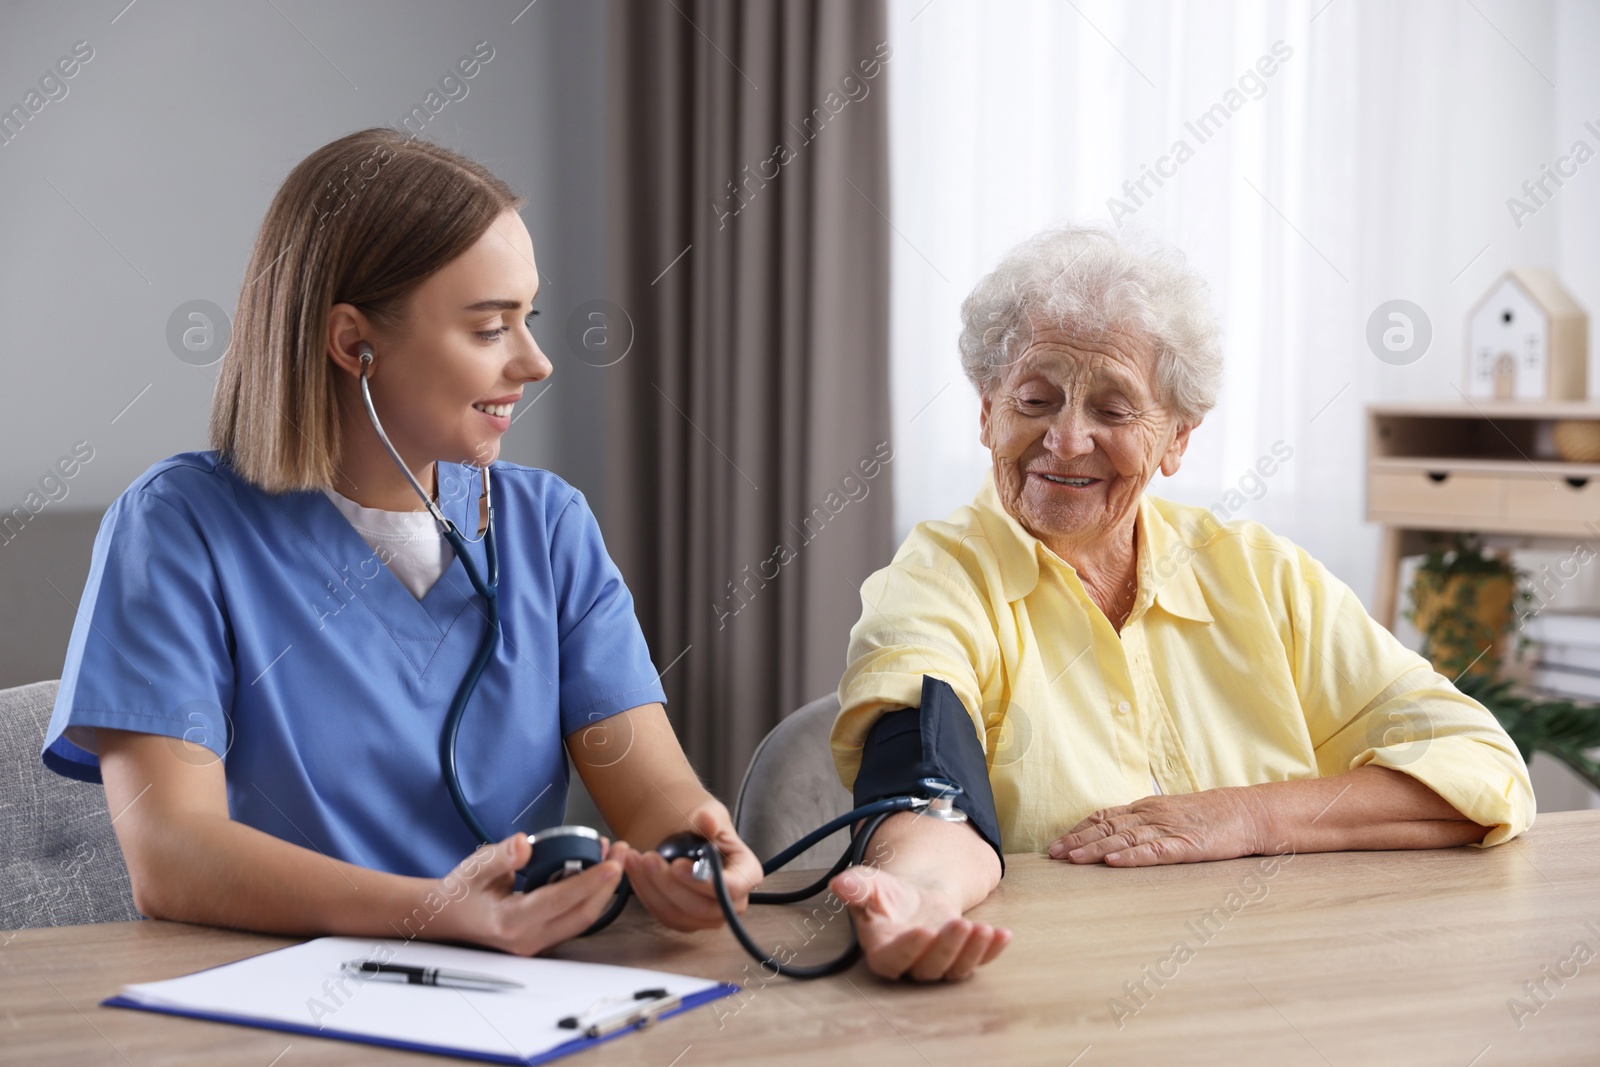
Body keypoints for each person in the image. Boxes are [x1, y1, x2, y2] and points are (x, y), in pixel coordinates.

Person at [40, 128, 763, 955]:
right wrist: (441, 909)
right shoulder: (176, 527)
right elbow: (173, 856)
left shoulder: (548, 527)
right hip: (267, 1005)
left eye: (527, 318)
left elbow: (655, 793)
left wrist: (700, 855)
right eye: (491, 328)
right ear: (354, 343)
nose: (537, 361)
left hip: (516, 998)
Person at [825, 225, 1535, 982]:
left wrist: (1247, 816)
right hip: (1054, 996)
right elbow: (929, 782)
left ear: (1177, 438)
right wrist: (923, 891)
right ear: (987, 411)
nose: (1066, 440)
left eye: (1114, 408)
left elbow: (1482, 766)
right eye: (1035, 398)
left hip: (1280, 992)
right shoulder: (940, 577)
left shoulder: (1262, 576)